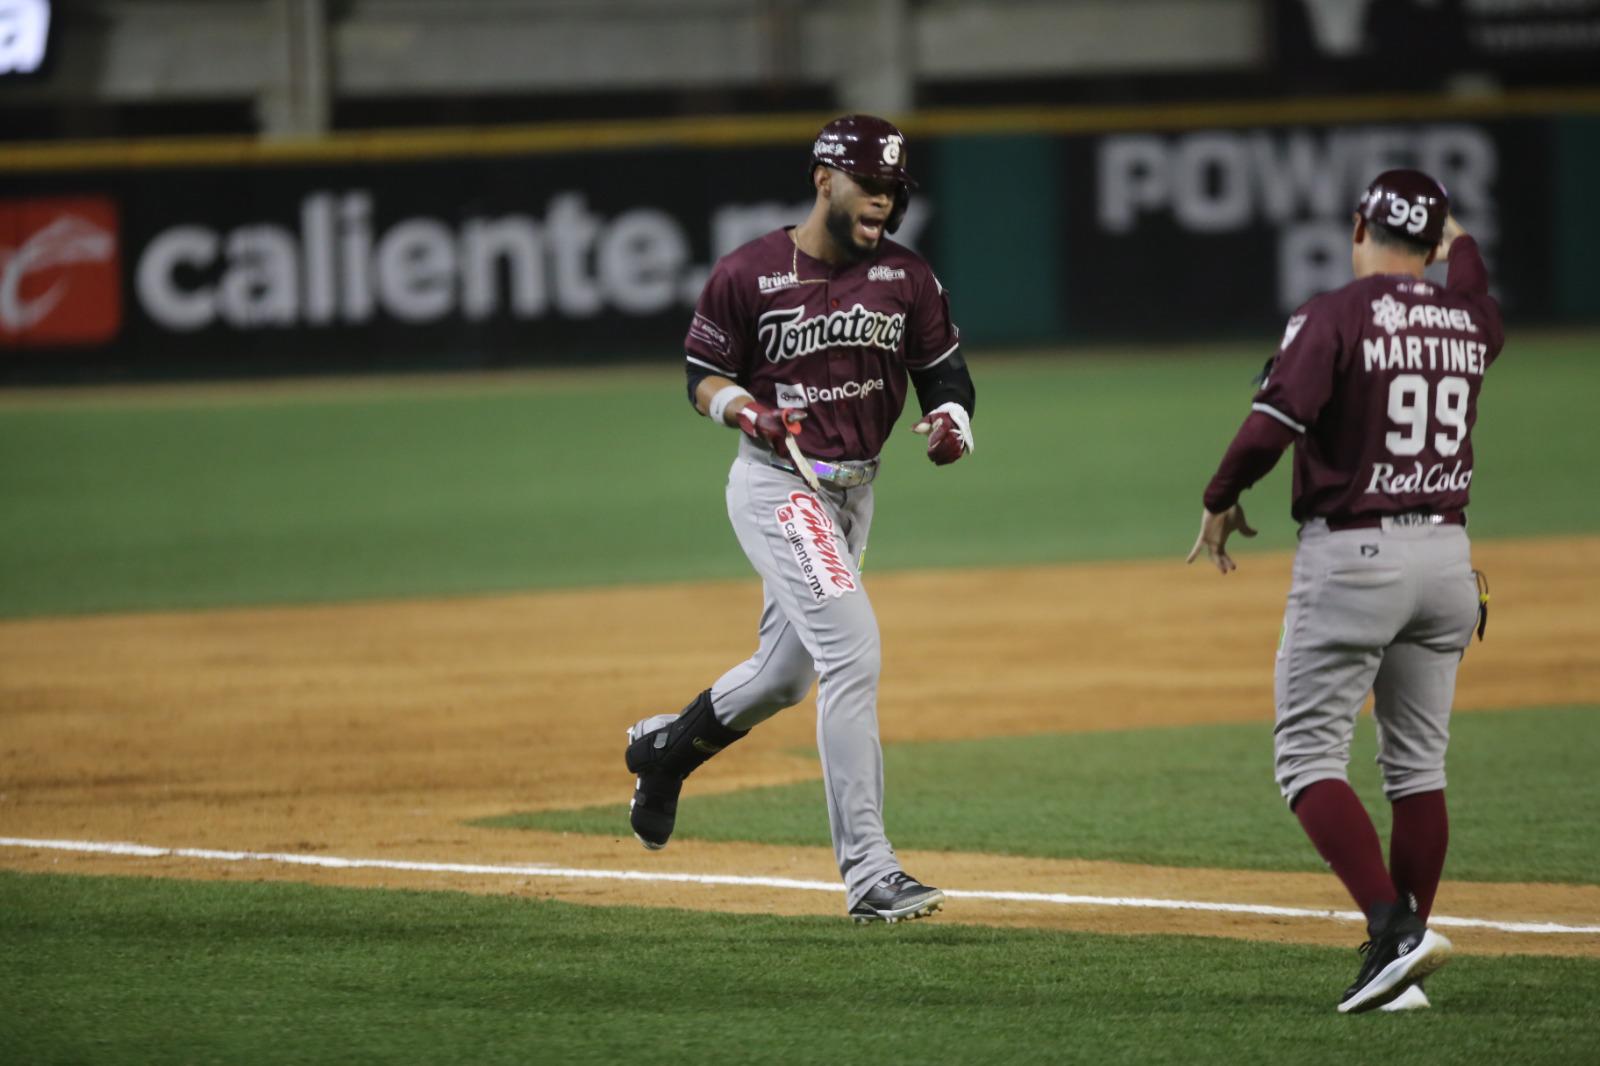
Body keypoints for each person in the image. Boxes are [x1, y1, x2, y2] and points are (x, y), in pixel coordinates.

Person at [624, 115, 976, 924]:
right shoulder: (749, 273)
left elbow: (945, 374)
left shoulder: (908, 278)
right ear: (825, 178)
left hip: (855, 494)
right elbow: (701, 376)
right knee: (853, 651)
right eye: (869, 184)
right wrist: (744, 412)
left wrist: (955, 419)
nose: (883, 201)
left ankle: (664, 752)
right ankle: (870, 874)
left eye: (893, 189)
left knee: (785, 676)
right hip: (777, 485)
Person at [1187, 169, 1502, 1012]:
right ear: (1434, 243)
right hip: (1447, 560)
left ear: (1360, 223)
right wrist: (1457, 240)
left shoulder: (1332, 315)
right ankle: (1398, 958)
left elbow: (1270, 425)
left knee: (1306, 760)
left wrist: (1219, 498)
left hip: (1355, 556)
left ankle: (1393, 933)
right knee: (1418, 769)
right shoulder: (1470, 320)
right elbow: (1474, 286)